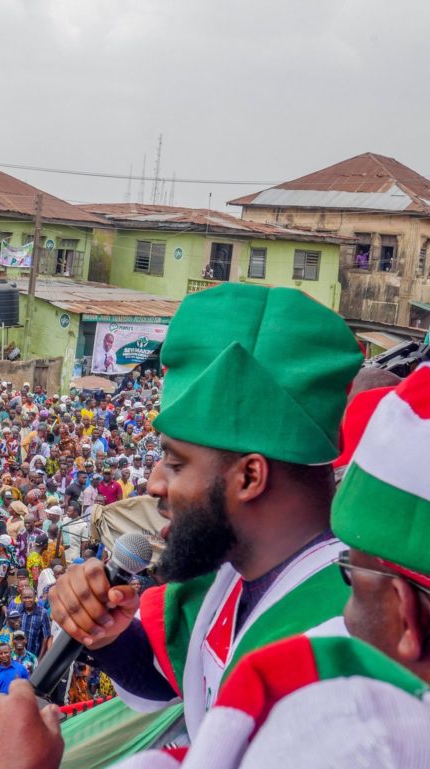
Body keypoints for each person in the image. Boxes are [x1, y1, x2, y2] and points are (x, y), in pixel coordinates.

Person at [45, 284, 362, 737]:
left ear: (250, 477)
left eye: (175, 463)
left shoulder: (336, 648)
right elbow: (177, 683)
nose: (154, 483)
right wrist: (108, 638)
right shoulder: (230, 573)